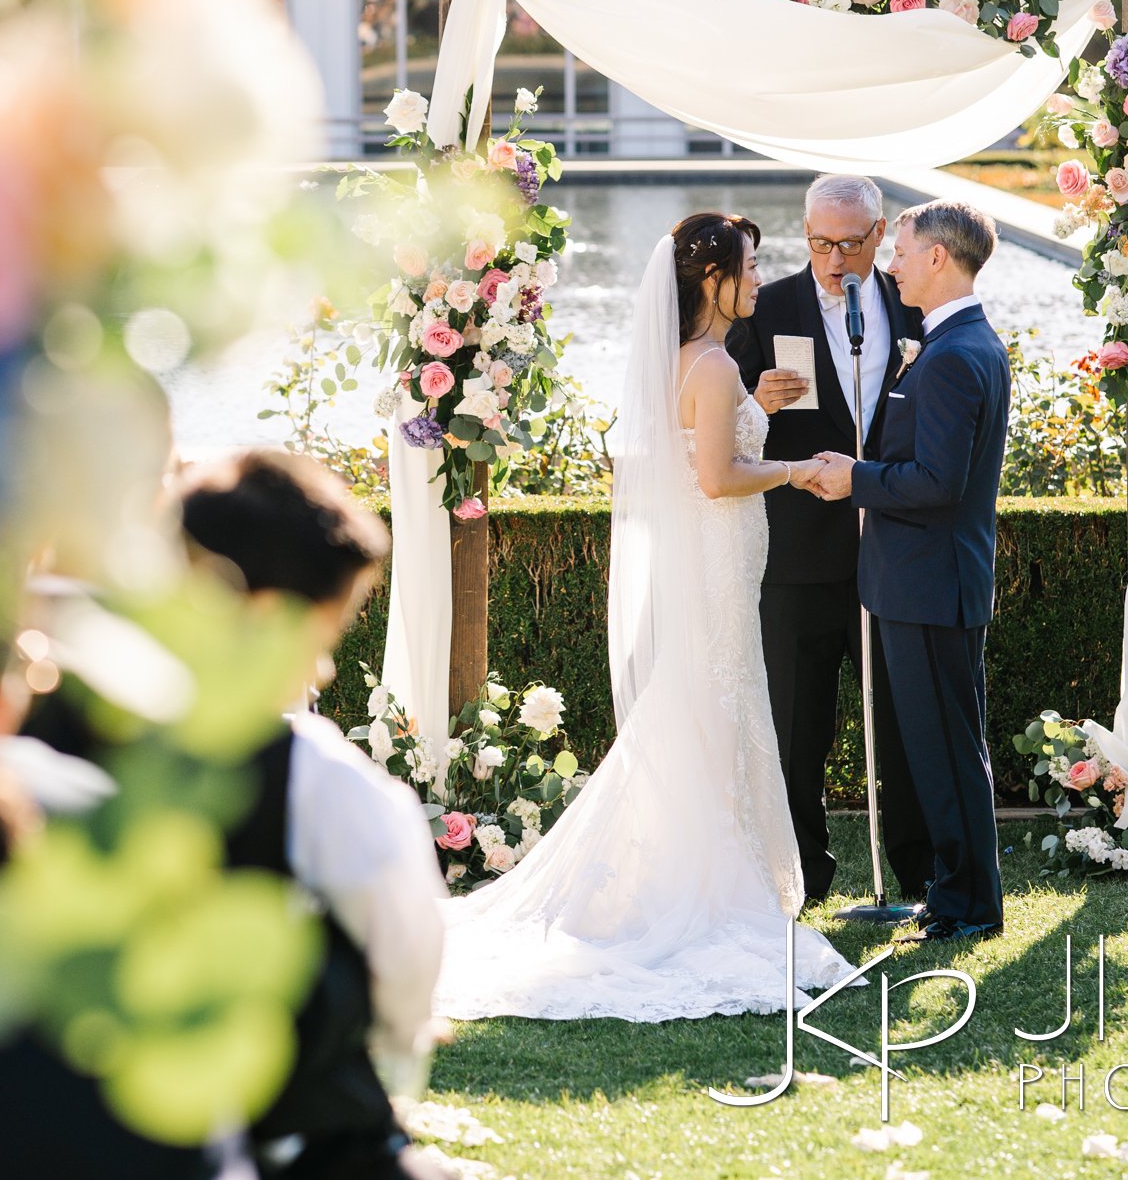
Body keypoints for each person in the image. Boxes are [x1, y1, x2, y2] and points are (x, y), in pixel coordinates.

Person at [432, 214, 851, 1022]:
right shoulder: (716, 364)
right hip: (721, 559)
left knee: (700, 706)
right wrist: (799, 467)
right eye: (751, 267)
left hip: (709, 562)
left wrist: (753, 405)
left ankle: (686, 864)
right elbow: (720, 478)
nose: (762, 279)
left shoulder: (690, 362)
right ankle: (711, 883)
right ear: (712, 280)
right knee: (718, 704)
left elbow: (699, 443)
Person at [175, 451, 450, 1180]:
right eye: (325, 638)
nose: (323, 668)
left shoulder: (73, 734)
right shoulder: (315, 773)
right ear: (268, 615)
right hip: (295, 1131)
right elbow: (405, 945)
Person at [726, 176, 932, 909]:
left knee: (903, 724)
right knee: (795, 728)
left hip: (894, 548)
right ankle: (801, 877)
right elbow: (718, 421)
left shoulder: (916, 302)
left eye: (850, 242)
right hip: (795, 553)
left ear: (880, 236)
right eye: (821, 241)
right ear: (804, 232)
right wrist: (757, 399)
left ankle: (917, 873)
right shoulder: (767, 305)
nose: (835, 257)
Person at [816, 202, 1011, 946]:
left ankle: (969, 903)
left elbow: (938, 482)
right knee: (941, 747)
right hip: (924, 582)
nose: (889, 264)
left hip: (931, 584)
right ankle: (956, 892)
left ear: (937, 259)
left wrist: (854, 477)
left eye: (900, 251)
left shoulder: (957, 354)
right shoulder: (956, 343)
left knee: (949, 749)